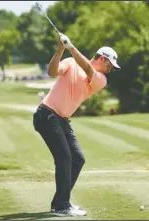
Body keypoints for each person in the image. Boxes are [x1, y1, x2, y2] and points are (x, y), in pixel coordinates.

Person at [32, 33, 120, 217]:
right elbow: (52, 71)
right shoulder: (71, 63)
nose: (109, 70)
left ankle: (60, 202)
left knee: (77, 158)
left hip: (61, 119)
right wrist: (61, 49)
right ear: (102, 59)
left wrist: (71, 47)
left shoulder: (100, 79)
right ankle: (62, 205)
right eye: (109, 65)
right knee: (64, 157)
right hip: (47, 115)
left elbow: (87, 68)